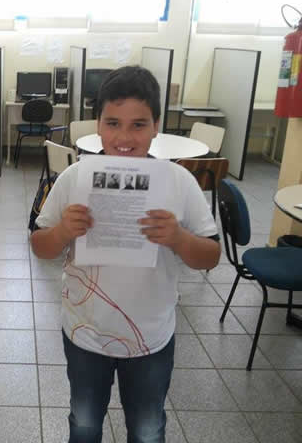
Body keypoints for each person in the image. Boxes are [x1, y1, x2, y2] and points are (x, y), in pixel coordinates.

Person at [30, 66, 220, 443]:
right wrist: (63, 232)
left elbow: (210, 256)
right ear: (97, 125)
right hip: (86, 333)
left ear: (156, 126)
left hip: (150, 336)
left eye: (139, 125)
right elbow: (40, 246)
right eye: (113, 123)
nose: (124, 137)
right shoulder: (75, 178)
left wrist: (179, 238)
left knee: (147, 429)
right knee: (84, 423)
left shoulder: (178, 182)